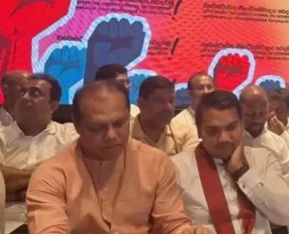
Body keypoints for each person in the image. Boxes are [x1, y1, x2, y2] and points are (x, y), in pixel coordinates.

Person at [26, 80, 210, 233]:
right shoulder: (51, 174)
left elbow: (171, 225)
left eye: (120, 123)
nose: (112, 136)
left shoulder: (156, 163)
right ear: (77, 124)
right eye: (97, 127)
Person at [172, 90, 289, 234]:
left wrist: (241, 171)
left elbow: (285, 216)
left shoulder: (263, 159)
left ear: (242, 125)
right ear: (199, 131)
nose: (223, 138)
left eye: (231, 127)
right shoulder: (177, 168)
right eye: (213, 131)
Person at [0, 74, 78, 226]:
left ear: (53, 106)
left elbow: (72, 180)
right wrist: (49, 177)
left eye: (35, 93)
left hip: (55, 223)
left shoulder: (70, 135)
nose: (24, 98)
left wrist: (13, 191)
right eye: (22, 92)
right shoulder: (0, 136)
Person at [131, 76, 199, 156]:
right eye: (160, 101)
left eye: (171, 101)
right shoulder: (124, 132)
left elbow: (189, 162)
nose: (169, 108)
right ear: (141, 103)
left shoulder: (186, 132)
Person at [240, 86, 289, 173]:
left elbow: (288, 176)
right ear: (239, 111)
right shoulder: (231, 142)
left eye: (262, 113)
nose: (257, 120)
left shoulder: (279, 143)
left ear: (268, 110)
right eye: (251, 114)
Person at [171, 72, 215, 138]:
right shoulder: (177, 124)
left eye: (209, 87)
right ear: (190, 93)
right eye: (200, 88)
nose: (206, 92)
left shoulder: (224, 117)